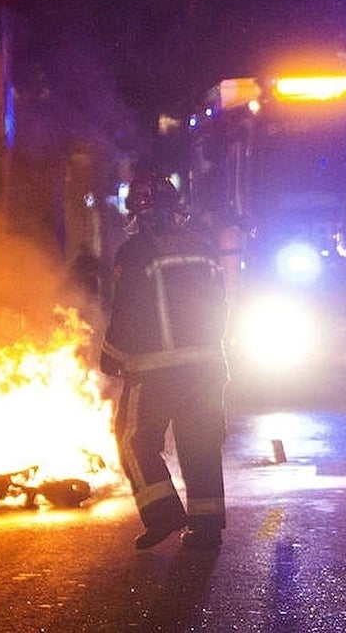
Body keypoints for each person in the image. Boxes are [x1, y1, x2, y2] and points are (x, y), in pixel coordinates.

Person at [101, 174, 229, 550]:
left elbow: (126, 310)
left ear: (138, 214)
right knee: (201, 442)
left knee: (133, 439)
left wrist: (110, 355)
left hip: (155, 370)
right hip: (207, 367)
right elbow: (220, 305)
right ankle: (206, 527)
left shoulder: (135, 252)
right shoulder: (204, 248)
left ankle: (163, 515)